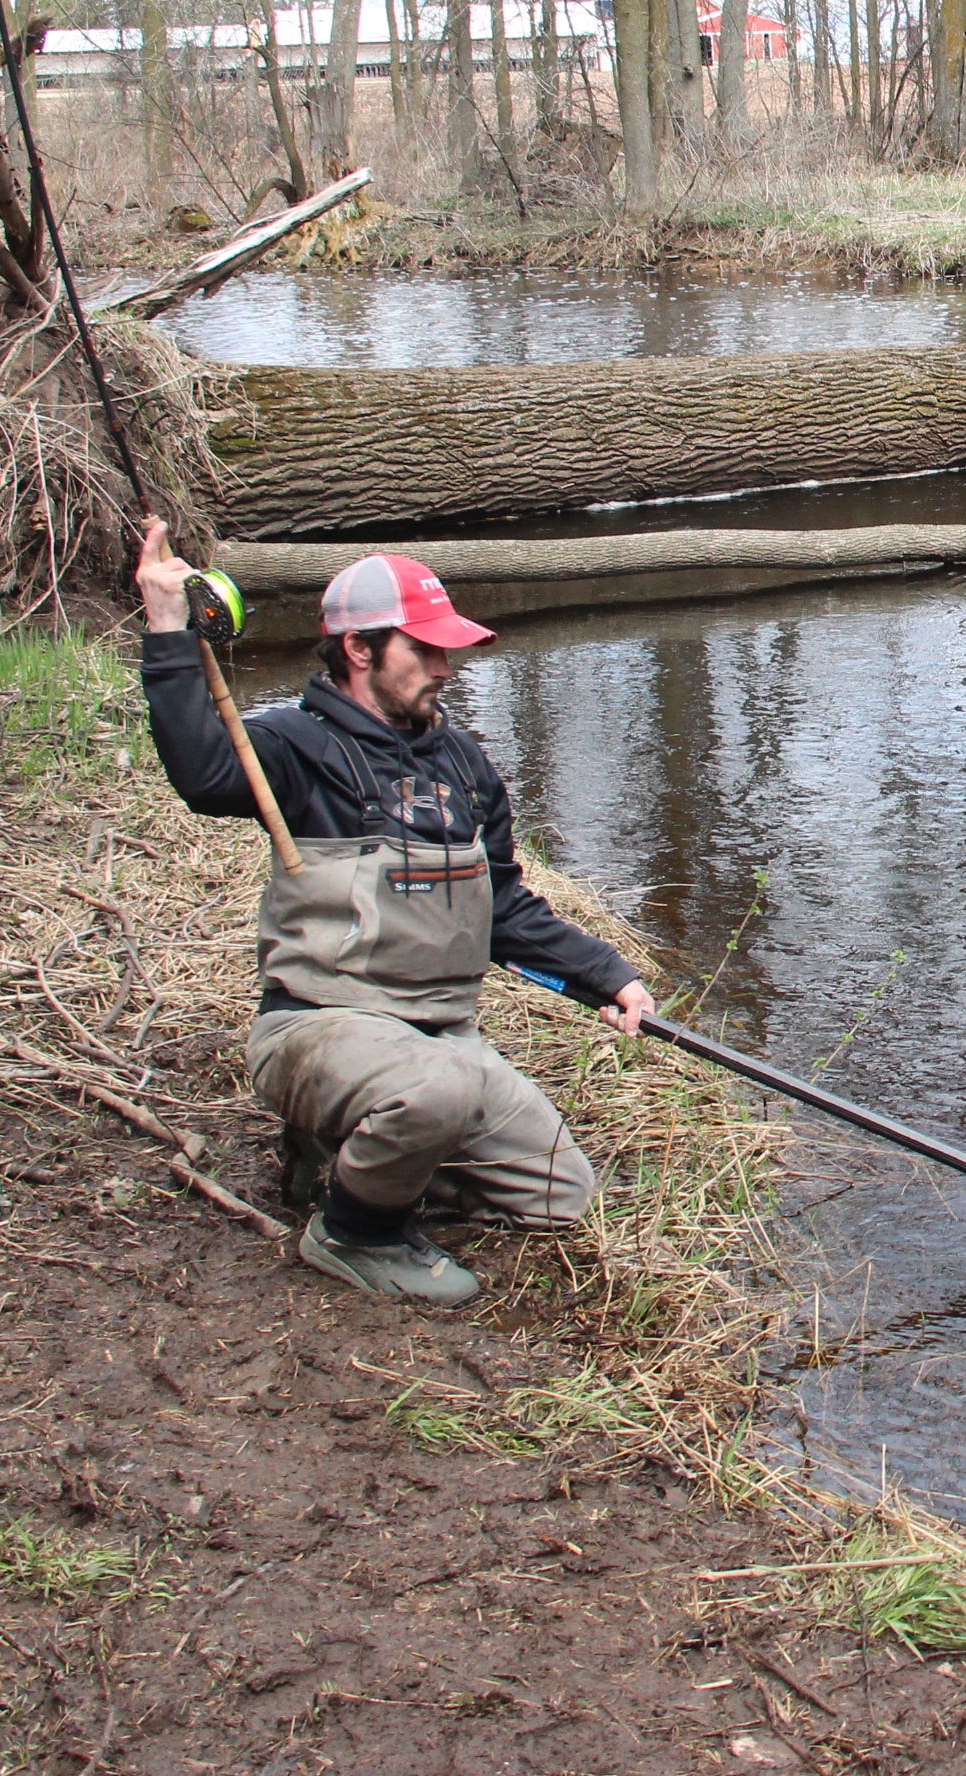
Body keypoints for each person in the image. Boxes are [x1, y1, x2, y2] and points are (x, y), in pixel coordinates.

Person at [132, 518, 656, 1304]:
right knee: (436, 1091)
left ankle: (356, 1161)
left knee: (559, 1195)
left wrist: (607, 975)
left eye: (448, 650)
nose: (445, 668)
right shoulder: (291, 744)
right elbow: (203, 775)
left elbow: (503, 905)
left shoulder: (463, 763)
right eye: (425, 649)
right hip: (317, 1028)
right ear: (360, 649)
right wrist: (168, 628)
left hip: (441, 1037)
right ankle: (352, 1233)